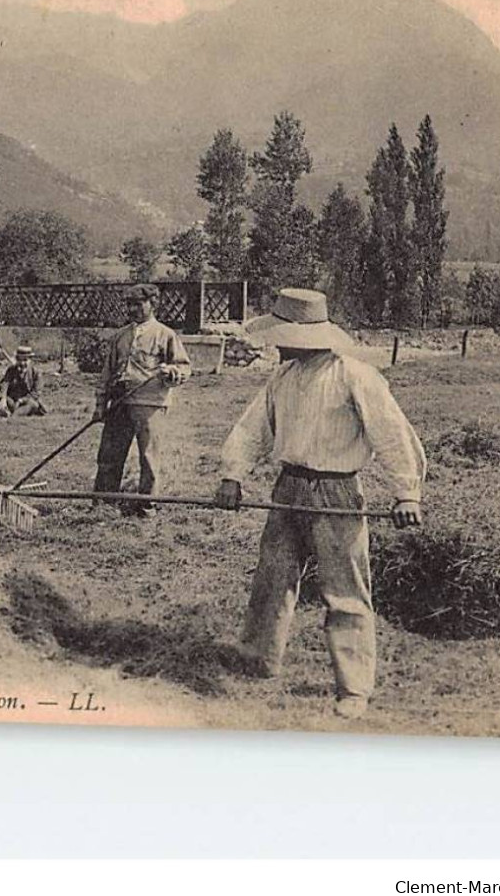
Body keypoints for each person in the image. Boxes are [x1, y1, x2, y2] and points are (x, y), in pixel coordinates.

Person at [216, 288, 425, 721]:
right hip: (288, 489)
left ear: (305, 335)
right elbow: (252, 430)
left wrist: (406, 492)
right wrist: (232, 475)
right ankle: (258, 660)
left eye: (282, 334)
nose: (276, 343)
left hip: (337, 494)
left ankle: (353, 687)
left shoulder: (356, 376)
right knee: (272, 580)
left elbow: (391, 434)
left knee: (345, 592)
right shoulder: (283, 378)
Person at [92, 283, 191, 515]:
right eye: (129, 304)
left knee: (149, 457)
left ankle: (147, 505)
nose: (133, 309)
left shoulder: (165, 334)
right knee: (109, 454)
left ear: (152, 304)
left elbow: (183, 368)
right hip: (118, 404)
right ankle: (104, 504)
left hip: (149, 404)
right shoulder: (120, 336)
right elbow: (107, 373)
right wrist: (100, 403)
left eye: (138, 304)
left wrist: (172, 372)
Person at [0, 344, 47, 417]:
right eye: (20, 360)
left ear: (30, 360)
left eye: (25, 360)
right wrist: (3, 398)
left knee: (32, 404)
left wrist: (21, 400)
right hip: (12, 400)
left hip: (27, 401)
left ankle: (14, 414)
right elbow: (4, 384)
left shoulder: (36, 372)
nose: (22, 363)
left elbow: (36, 392)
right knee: (1, 400)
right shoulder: (11, 370)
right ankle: (7, 411)